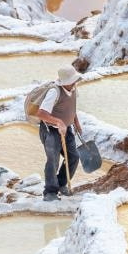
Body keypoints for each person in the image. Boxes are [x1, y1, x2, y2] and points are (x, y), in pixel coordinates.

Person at [37, 65, 83, 201]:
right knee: (53, 161)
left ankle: (61, 184)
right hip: (50, 130)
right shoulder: (54, 92)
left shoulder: (73, 89)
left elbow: (72, 107)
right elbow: (41, 113)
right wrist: (58, 122)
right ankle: (50, 192)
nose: (75, 83)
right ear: (65, 82)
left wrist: (76, 122)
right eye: (72, 81)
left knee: (73, 157)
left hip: (66, 128)